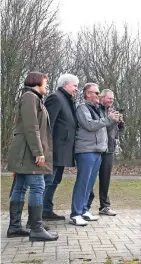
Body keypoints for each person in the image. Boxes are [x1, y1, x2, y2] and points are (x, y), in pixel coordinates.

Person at [7, 71, 58, 241]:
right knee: (38, 186)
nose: (47, 85)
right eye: (45, 82)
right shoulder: (30, 97)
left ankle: (14, 227)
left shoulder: (33, 98)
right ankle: (36, 228)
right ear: (37, 82)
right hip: (28, 153)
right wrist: (39, 152)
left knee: (20, 187)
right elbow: (31, 127)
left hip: (25, 152)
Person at [70, 83, 119, 226]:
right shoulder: (82, 108)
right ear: (87, 94)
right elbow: (90, 125)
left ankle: (84, 209)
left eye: (98, 93)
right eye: (96, 93)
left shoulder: (98, 109)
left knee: (90, 183)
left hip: (98, 151)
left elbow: (104, 126)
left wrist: (115, 121)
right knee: (83, 182)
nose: (98, 95)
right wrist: (108, 119)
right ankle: (76, 213)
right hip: (86, 150)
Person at [42, 74, 79, 221]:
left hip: (63, 150)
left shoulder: (68, 100)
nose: (76, 88)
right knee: (47, 181)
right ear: (65, 85)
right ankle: (37, 215)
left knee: (55, 181)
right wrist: (46, 148)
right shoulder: (55, 98)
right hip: (54, 149)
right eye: (74, 85)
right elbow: (47, 125)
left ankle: (46, 210)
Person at [87, 89, 124, 216]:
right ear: (102, 98)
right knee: (90, 178)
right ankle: (86, 205)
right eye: (109, 99)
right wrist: (111, 120)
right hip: (96, 148)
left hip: (109, 149)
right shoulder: (96, 110)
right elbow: (102, 127)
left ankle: (105, 206)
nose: (111, 101)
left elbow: (119, 130)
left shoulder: (112, 111)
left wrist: (119, 123)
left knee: (105, 179)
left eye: (112, 99)